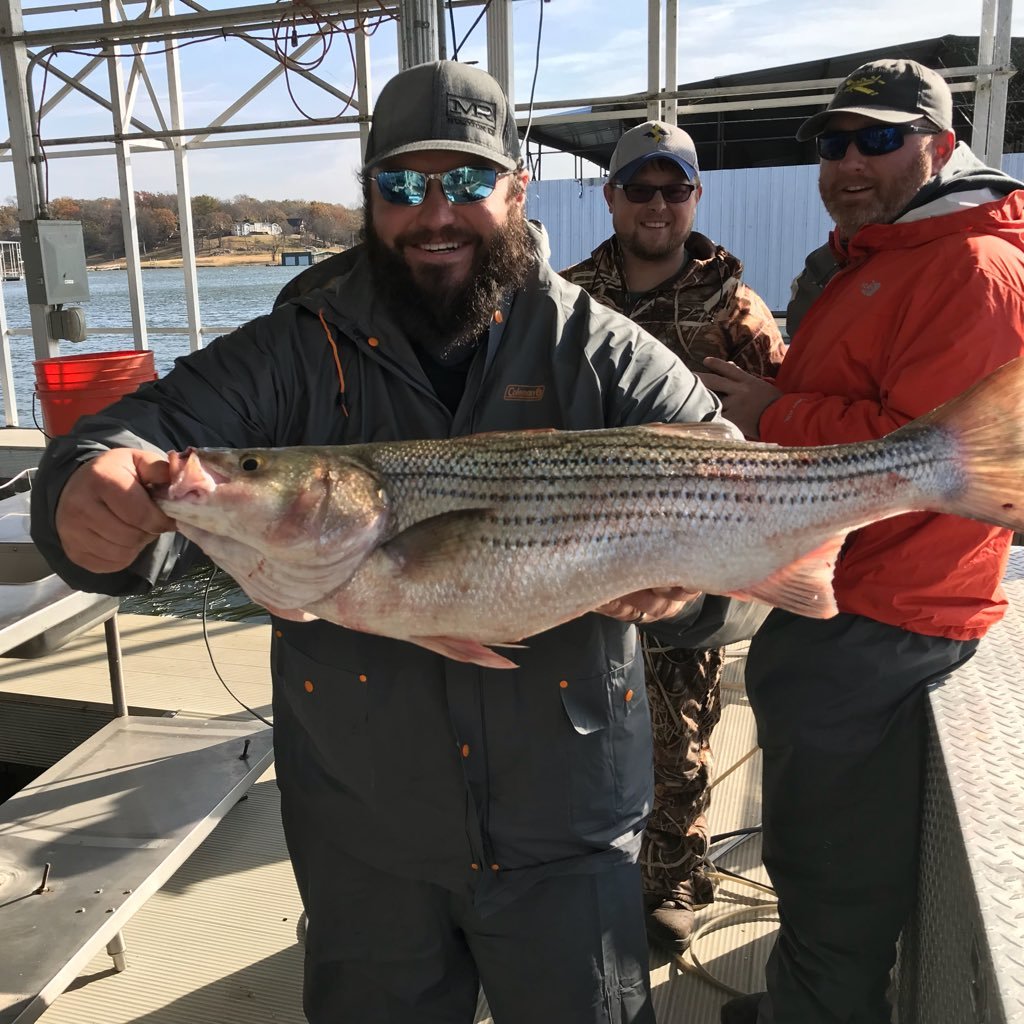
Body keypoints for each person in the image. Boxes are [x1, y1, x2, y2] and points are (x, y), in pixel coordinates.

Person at [31, 60, 752, 1024]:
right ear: (368, 197)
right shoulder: (298, 345)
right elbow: (145, 429)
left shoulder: (602, 351)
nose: (434, 214)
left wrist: (698, 591)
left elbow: (745, 515)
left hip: (567, 830)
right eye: (402, 186)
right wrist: (86, 487)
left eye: (465, 182)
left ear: (515, 189)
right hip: (362, 834)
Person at [698, 59, 1024, 1024]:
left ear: (943, 143)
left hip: (889, 618)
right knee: (807, 843)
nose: (848, 161)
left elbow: (929, 460)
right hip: (842, 592)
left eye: (879, 139)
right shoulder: (882, 254)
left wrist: (773, 410)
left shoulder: (972, 268)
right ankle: (805, 996)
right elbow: (877, 401)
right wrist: (780, 368)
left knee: (836, 868)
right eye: (834, 143)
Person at [560, 120, 786, 951]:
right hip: (580, 548)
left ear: (695, 198)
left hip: (693, 553)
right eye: (640, 188)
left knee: (675, 725)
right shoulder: (568, 295)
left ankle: (673, 881)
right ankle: (577, 871)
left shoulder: (737, 307)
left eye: (675, 189)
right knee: (571, 716)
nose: (657, 205)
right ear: (612, 195)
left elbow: (783, 425)